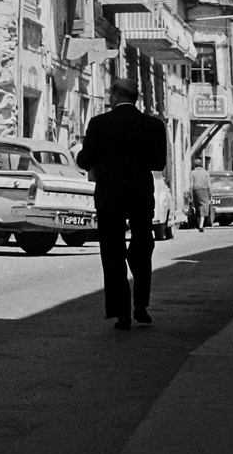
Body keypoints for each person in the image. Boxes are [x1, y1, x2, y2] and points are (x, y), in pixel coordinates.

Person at [77, 76, 168, 330]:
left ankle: (121, 312)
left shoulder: (99, 124)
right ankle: (141, 305)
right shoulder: (153, 125)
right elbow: (158, 163)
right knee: (143, 247)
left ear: (115, 96)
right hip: (140, 195)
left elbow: (84, 161)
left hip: (110, 196)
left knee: (112, 251)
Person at [189, 163, 213, 231]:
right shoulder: (206, 173)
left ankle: (199, 223)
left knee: (197, 206)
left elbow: (191, 184)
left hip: (195, 190)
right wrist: (210, 195)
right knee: (204, 206)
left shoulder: (192, 173)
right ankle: (201, 225)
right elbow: (209, 184)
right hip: (204, 190)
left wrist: (191, 194)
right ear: (202, 165)